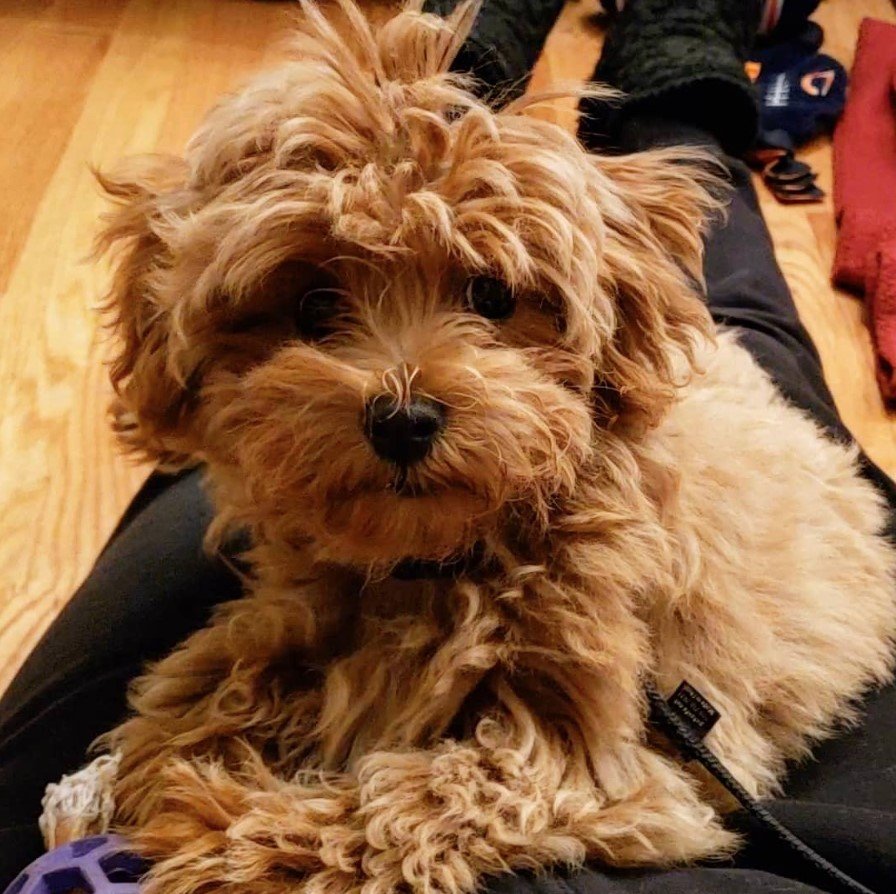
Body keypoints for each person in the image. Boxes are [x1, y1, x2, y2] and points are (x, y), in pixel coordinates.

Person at [1, 2, 894, 891]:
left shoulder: (600, 573)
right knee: (747, 300)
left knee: (708, 280)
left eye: (491, 301)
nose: (401, 394)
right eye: (318, 312)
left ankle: (504, 45)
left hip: (663, 427)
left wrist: (298, 849)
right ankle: (654, 63)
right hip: (721, 401)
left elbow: (621, 782)